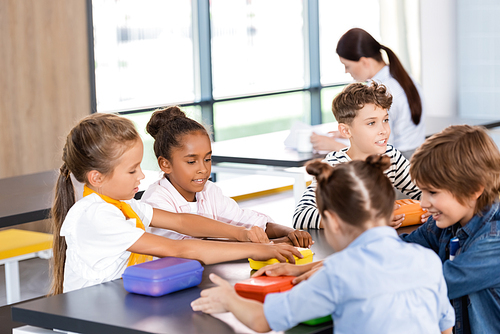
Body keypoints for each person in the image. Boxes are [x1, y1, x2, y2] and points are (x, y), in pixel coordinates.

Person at [191, 155, 454, 334]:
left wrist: (229, 298)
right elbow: (446, 327)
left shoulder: (338, 272)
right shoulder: (426, 259)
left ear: (331, 220)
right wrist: (302, 269)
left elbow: (262, 320)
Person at [50, 113, 302, 295]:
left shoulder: (122, 204)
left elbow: (183, 222)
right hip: (93, 316)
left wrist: (242, 233)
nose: (141, 176)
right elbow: (178, 249)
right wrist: (254, 249)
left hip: (121, 298)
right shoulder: (96, 216)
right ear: (97, 178)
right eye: (132, 171)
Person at [141, 106, 312, 247]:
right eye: (192, 162)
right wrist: (271, 244)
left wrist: (290, 232)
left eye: (207, 159)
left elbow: (247, 221)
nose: (203, 169)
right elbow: (193, 247)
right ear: (165, 164)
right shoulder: (156, 200)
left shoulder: (210, 192)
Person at [400, 125, 500, 334]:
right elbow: (402, 249)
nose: (423, 203)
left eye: (433, 192)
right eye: (422, 192)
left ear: (473, 190)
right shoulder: (449, 222)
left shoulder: (494, 241)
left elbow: (437, 285)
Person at [293, 81, 422, 230]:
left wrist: (430, 210)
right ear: (346, 131)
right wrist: (367, 221)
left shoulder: (390, 156)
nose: (384, 130)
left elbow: (424, 191)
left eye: (385, 120)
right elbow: (301, 216)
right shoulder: (333, 166)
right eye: (371, 123)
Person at [311, 28, 425, 159]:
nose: (346, 72)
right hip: (412, 157)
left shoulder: (383, 91)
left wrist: (334, 146)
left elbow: (380, 150)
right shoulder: (403, 78)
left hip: (396, 163)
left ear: (364, 62)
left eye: (347, 66)